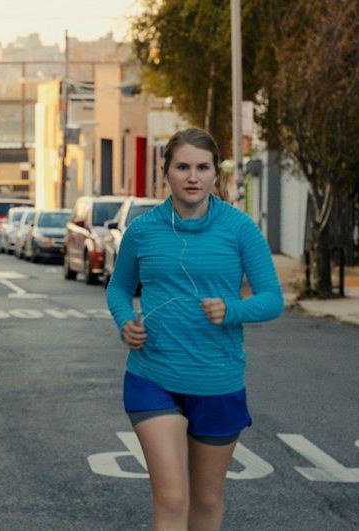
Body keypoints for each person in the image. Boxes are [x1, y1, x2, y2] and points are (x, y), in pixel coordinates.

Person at [105, 127, 283, 530]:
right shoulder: (143, 230)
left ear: (215, 175)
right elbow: (118, 288)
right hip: (152, 377)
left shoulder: (239, 229)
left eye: (203, 168)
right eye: (182, 166)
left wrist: (232, 310)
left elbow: (273, 299)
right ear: (165, 171)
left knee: (206, 500)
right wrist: (125, 321)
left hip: (217, 379)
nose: (192, 177)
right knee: (171, 497)